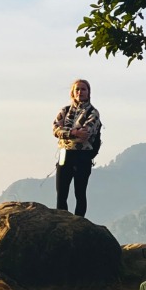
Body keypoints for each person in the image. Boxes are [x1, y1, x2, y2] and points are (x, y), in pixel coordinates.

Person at [52, 79, 102, 216]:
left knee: (80, 192)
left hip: (82, 156)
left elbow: (86, 133)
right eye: (77, 89)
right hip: (64, 155)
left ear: (89, 92)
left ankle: (79, 223)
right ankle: (62, 222)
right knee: (61, 193)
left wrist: (65, 132)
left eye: (83, 89)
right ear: (73, 93)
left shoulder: (93, 112)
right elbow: (55, 130)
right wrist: (73, 132)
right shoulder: (65, 111)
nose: (80, 92)